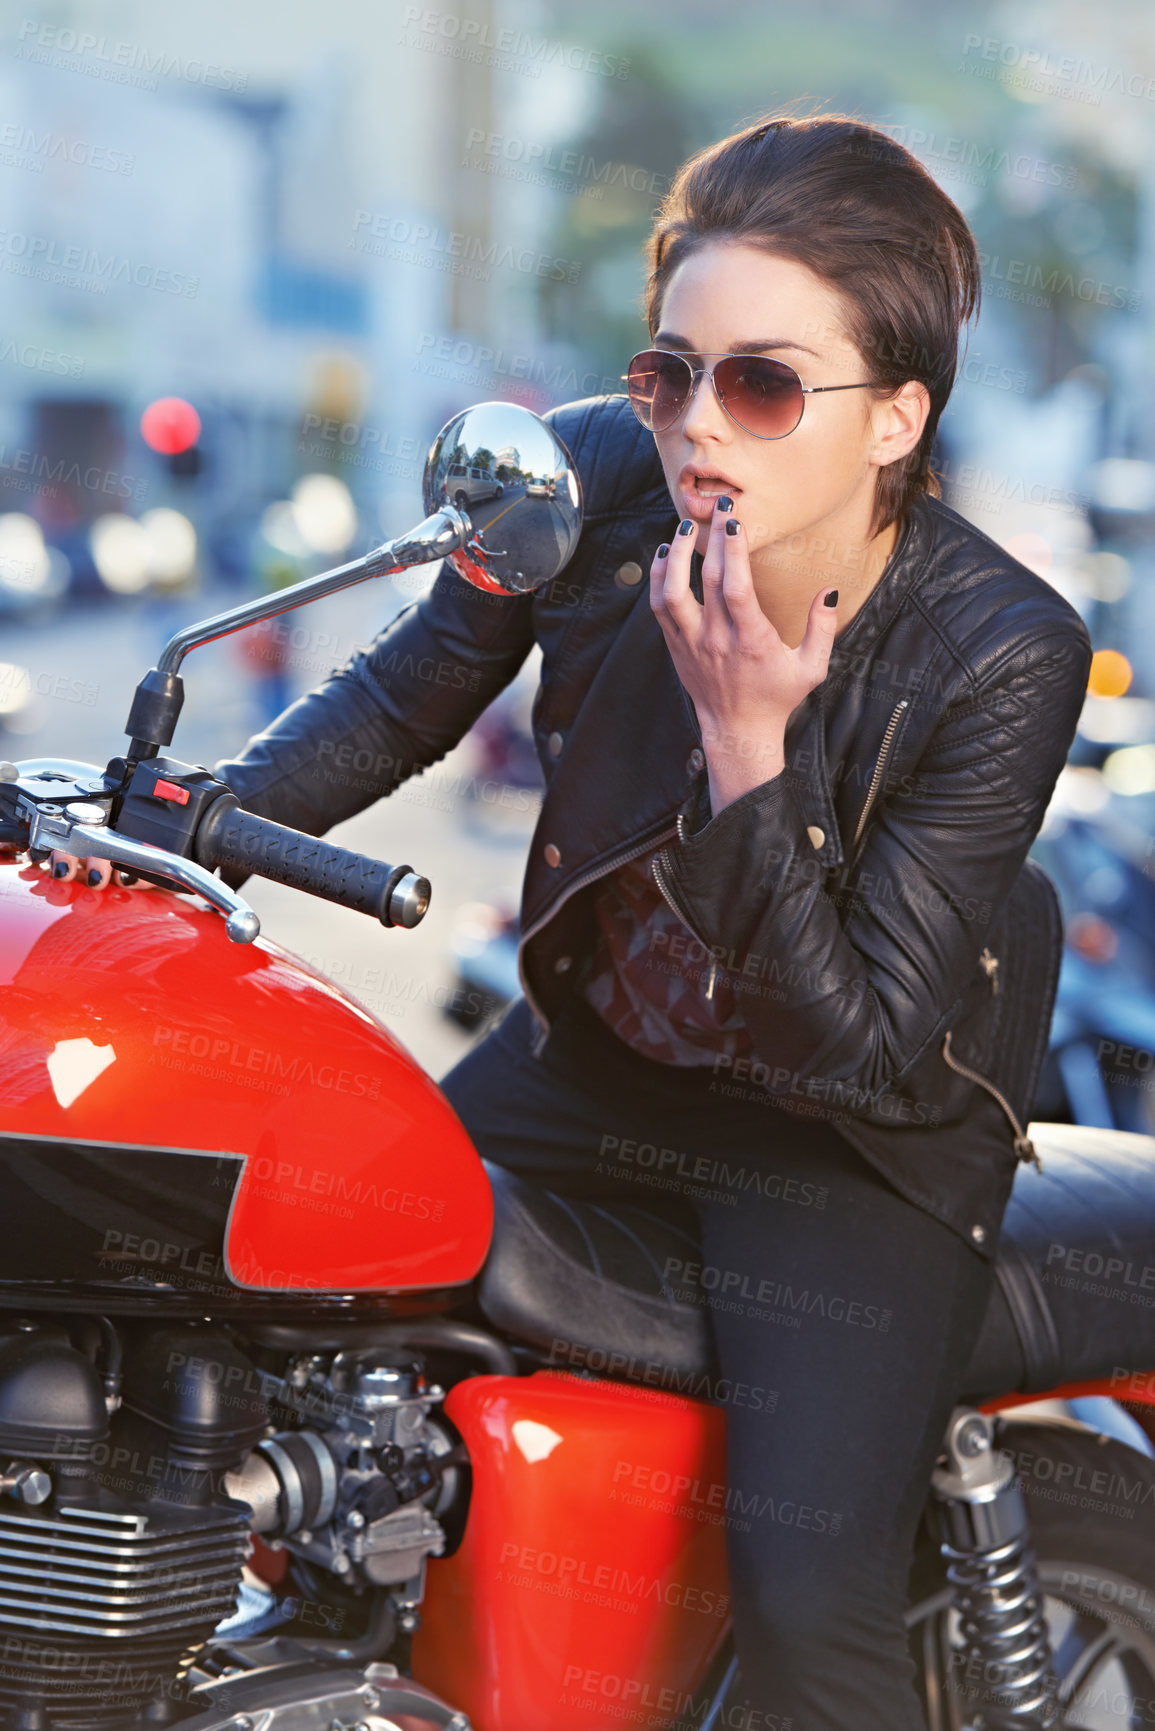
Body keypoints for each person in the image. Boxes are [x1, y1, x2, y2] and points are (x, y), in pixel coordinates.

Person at [55, 113, 1093, 1728]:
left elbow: (863, 1036)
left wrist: (753, 744)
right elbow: (405, 695)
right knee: (288, 1280)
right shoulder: (599, 477)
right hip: (599, 1063)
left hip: (848, 1138)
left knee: (814, 1603)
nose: (692, 427)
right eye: (670, 371)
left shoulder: (1003, 650)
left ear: (896, 417)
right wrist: (174, 822)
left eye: (762, 383)